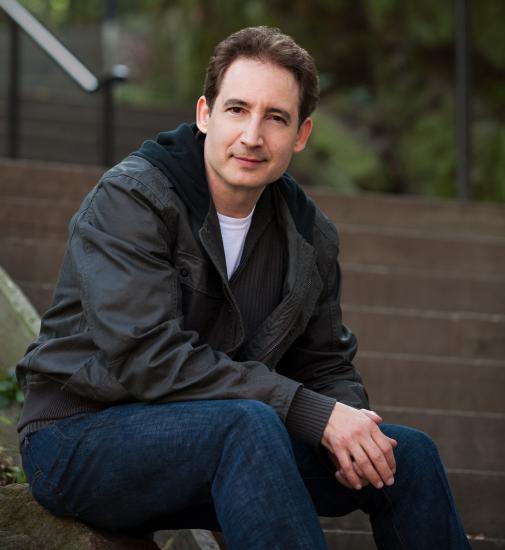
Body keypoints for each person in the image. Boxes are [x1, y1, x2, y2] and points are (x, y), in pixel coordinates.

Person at [17, 26, 471, 549]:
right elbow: (147, 356)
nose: (253, 136)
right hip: (79, 437)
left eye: (275, 117)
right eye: (237, 110)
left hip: (220, 437)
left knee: (405, 456)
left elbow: (323, 362)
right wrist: (312, 413)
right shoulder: (133, 198)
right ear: (205, 114)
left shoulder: (308, 235)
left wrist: (351, 424)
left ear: (301, 135)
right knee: (247, 424)